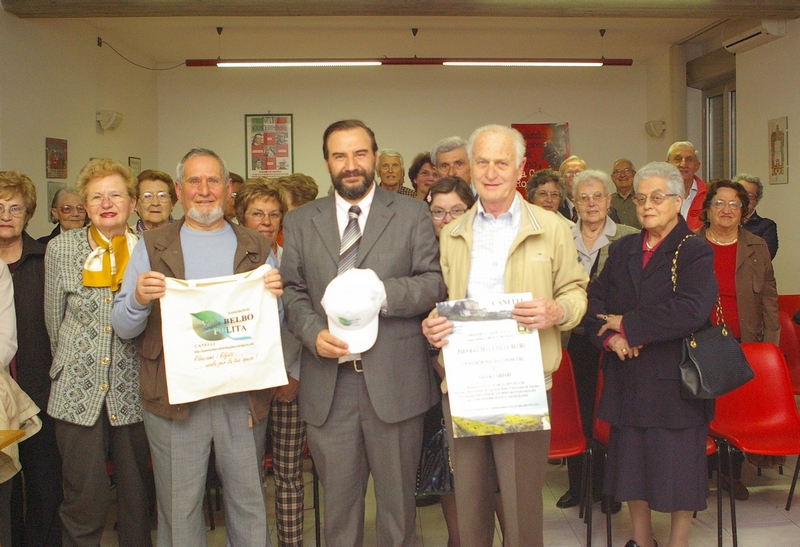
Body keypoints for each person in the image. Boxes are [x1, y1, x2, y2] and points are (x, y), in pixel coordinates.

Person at [280, 119, 446, 547]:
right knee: (338, 510)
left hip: (394, 383)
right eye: (340, 155)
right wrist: (312, 332)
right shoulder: (300, 220)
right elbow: (293, 293)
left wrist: (381, 293)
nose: (350, 165)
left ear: (374, 156)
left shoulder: (411, 213)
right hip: (328, 384)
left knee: (398, 511)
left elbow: (433, 281)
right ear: (327, 162)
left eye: (359, 154)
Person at [422, 125, 588, 547]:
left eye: (501, 162)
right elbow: (441, 297)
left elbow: (575, 292)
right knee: (471, 499)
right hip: (466, 382)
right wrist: (430, 325)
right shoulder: (453, 232)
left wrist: (557, 310)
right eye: (482, 162)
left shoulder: (552, 227)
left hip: (524, 383)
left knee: (520, 501)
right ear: (471, 169)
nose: (491, 172)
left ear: (519, 168)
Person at [111, 148, 283, 547]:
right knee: (179, 506)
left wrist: (278, 299)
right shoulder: (152, 246)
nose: (203, 190)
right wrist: (137, 298)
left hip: (242, 398)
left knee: (248, 503)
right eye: (193, 181)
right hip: (174, 399)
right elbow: (122, 327)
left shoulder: (258, 245)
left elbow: (280, 327)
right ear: (178, 190)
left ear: (227, 190)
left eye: (212, 181)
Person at [586, 161, 718, 547]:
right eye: (641, 198)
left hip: (676, 381)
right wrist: (611, 339)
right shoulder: (622, 247)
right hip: (627, 375)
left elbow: (691, 310)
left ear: (678, 200)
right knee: (632, 470)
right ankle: (642, 541)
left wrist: (627, 325)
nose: (647, 205)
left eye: (657, 197)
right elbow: (593, 300)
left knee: (679, 472)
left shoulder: (694, 250)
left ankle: (678, 542)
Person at [44, 158, 152, 547]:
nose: (106, 204)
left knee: (137, 500)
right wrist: (80, 362)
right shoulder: (60, 249)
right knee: (82, 500)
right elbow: (54, 324)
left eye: (115, 195)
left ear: (133, 202)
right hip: (76, 392)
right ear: (85, 205)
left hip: (135, 392)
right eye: (96, 197)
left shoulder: (149, 250)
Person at [556, 170, 637, 513]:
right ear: (573, 203)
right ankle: (578, 486)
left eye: (597, 197)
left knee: (612, 414)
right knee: (578, 413)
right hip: (571, 339)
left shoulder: (629, 238)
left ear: (608, 200)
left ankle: (611, 489)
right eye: (583, 198)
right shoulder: (559, 238)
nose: (591, 204)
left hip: (612, 339)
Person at [695, 179, 779, 501]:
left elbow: (770, 298)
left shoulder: (756, 246)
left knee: (735, 407)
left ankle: (731, 474)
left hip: (744, 338)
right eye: (719, 203)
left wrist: (769, 344)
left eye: (734, 204)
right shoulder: (691, 245)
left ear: (744, 211)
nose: (726, 210)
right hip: (700, 339)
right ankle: (700, 472)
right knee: (701, 407)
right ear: (707, 210)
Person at [236, 177, 306, 547]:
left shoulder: (292, 258)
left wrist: (292, 374)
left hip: (288, 384)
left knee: (289, 474)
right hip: (245, 387)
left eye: (274, 214)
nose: (266, 221)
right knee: (246, 477)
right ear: (241, 217)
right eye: (257, 213)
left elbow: (301, 320)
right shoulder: (229, 262)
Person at [0, 171, 63, 547]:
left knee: (44, 488)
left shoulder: (45, 259)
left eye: (14, 208)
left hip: (40, 393)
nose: (5, 215)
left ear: (28, 214)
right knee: (5, 488)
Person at [423, 176, 476, 547]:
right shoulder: (419, 255)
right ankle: (457, 540)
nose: (447, 219)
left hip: (480, 374)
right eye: (438, 212)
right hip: (429, 377)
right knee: (447, 468)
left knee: (488, 470)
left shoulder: (483, 253)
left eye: (456, 210)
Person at [736, 173, 778, 259]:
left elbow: (762, 259)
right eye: (741, 193)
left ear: (756, 200)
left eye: (750, 195)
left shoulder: (766, 226)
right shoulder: (722, 222)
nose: (745, 198)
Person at [667, 141, 706, 231]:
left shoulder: (709, 195)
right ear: (667, 165)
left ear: (697, 166)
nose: (683, 164)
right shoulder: (658, 195)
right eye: (678, 159)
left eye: (689, 159)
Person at [610, 159, 641, 229]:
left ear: (634, 174)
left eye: (627, 170)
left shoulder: (642, 200)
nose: (622, 175)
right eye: (617, 172)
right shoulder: (607, 202)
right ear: (612, 177)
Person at [557, 155, 585, 221]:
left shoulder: (600, 208)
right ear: (561, 179)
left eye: (579, 173)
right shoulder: (555, 208)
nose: (574, 178)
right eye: (568, 174)